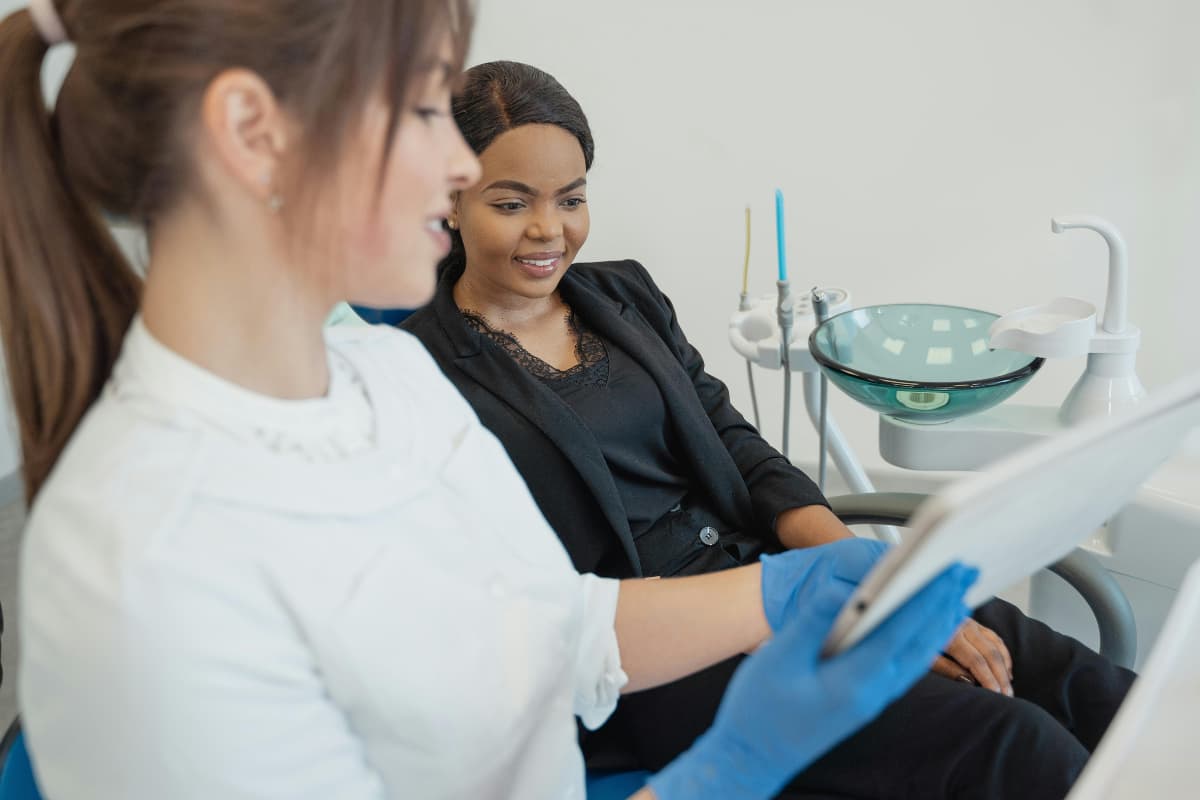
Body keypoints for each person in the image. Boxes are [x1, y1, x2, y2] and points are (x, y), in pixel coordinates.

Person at [0, 3, 974, 799]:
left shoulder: (388, 383)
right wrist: (732, 767)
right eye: (426, 109)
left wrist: (781, 588)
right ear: (256, 133)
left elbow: (547, 626)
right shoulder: (143, 562)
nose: (463, 167)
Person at [400, 59, 1138, 799]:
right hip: (661, 656)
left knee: (1081, 684)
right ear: (450, 201)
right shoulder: (415, 370)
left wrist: (874, 587)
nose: (548, 230)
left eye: (571, 199)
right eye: (510, 202)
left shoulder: (623, 294)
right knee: (1016, 741)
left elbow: (740, 449)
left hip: (778, 574)